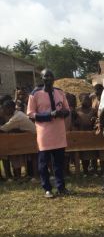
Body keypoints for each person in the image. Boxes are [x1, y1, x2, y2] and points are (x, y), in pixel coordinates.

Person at [27, 69, 70, 198]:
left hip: (59, 133)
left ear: (54, 78)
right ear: (42, 78)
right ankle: (47, 189)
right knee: (44, 164)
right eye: (46, 76)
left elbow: (67, 109)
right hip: (44, 134)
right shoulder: (35, 94)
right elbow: (31, 114)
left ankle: (61, 187)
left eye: (51, 75)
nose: (49, 78)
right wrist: (48, 115)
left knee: (59, 163)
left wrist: (63, 113)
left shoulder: (60, 92)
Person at [0, 100, 36, 179]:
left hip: (33, 138)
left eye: (5, 109)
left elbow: (3, 129)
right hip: (31, 137)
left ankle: (24, 176)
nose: (4, 111)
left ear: (11, 108)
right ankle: (30, 175)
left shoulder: (16, 117)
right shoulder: (19, 114)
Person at [75, 93, 98, 176]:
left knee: (93, 153)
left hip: (92, 135)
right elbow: (75, 122)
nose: (87, 101)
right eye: (85, 99)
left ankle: (95, 170)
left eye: (88, 99)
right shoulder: (77, 111)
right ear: (81, 101)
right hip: (82, 135)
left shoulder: (93, 110)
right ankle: (85, 171)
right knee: (84, 155)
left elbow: (97, 121)